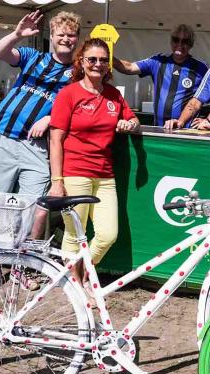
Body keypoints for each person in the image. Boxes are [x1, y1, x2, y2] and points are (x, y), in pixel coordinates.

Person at [0, 11, 81, 248]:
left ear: (77, 39)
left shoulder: (78, 73)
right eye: (61, 34)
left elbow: (81, 105)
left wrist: (51, 118)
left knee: (33, 205)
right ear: (52, 36)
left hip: (36, 146)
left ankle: (21, 263)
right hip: (1, 135)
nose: (66, 39)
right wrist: (16, 34)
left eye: (71, 35)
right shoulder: (33, 57)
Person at [49, 38, 140, 284]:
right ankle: (76, 286)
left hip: (105, 175)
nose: (97, 64)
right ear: (81, 62)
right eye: (92, 59)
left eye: (103, 60)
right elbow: (55, 140)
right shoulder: (69, 94)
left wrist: (128, 124)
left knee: (108, 234)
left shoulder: (113, 95)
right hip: (75, 172)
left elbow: (134, 121)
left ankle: (83, 275)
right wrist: (57, 181)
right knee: (73, 233)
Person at [112, 24, 208, 127]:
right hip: (160, 128)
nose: (180, 44)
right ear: (171, 41)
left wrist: (206, 119)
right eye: (176, 40)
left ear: (191, 44)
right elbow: (129, 67)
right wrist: (106, 56)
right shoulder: (158, 61)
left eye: (185, 41)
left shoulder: (200, 68)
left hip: (186, 132)